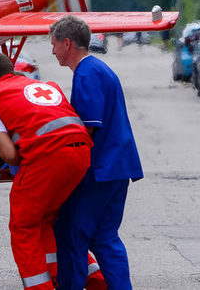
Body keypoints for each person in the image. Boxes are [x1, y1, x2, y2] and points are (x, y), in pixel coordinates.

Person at [0, 52, 92, 290]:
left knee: (23, 226)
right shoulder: (43, 85)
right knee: (45, 220)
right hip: (81, 153)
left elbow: (9, 155)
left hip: (48, 157)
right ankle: (84, 280)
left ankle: (40, 286)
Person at [49, 15, 143, 290]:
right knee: (104, 237)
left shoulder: (87, 74)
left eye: (54, 44)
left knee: (72, 234)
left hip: (100, 171)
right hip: (119, 167)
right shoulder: (100, 69)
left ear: (67, 43)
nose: (52, 51)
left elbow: (87, 129)